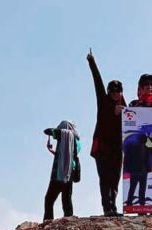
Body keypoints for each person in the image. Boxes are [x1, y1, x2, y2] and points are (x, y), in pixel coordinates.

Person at [86, 49, 125, 216]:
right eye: (113, 91)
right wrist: (92, 62)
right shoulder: (104, 103)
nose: (115, 94)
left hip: (117, 150)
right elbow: (98, 82)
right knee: (105, 179)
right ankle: (107, 207)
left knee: (115, 179)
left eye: (118, 91)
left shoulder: (127, 109)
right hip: (103, 149)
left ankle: (113, 207)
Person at [43, 121, 81, 221]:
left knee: (49, 200)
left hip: (59, 174)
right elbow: (67, 156)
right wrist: (52, 151)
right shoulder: (76, 140)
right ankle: (69, 220)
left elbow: (50, 131)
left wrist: (51, 131)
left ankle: (48, 221)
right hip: (69, 172)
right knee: (66, 199)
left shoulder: (66, 135)